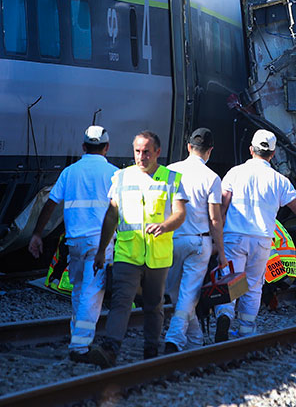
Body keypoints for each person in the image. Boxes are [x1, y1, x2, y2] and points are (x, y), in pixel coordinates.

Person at [215, 130, 296, 341]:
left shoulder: (234, 173)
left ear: (251, 150)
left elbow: (222, 205)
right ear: (273, 154)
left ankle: (224, 315)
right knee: (253, 285)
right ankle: (246, 329)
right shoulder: (279, 180)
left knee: (231, 280)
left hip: (234, 236)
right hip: (261, 239)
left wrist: (215, 234)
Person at [88, 131, 188, 367]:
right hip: (127, 253)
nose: (141, 156)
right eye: (137, 151)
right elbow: (112, 215)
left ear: (157, 152)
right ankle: (110, 348)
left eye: (146, 152)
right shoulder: (121, 178)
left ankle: (150, 352)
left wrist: (164, 226)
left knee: (154, 306)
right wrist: (102, 250)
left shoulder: (171, 178)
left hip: (157, 256)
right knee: (122, 301)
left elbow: (180, 214)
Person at [28, 125, 118, 363]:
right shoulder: (114, 174)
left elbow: (50, 203)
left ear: (83, 147)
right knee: (92, 293)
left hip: (74, 241)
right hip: (100, 243)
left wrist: (37, 234)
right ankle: (80, 347)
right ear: (107, 148)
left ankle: (77, 338)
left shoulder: (70, 172)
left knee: (79, 290)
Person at [163, 128, 228, 353]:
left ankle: (195, 341)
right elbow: (214, 219)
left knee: (177, 295)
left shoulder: (168, 171)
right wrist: (221, 251)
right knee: (188, 295)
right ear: (209, 151)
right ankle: (174, 337)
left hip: (171, 240)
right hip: (199, 243)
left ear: (188, 147)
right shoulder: (212, 178)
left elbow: (159, 206)